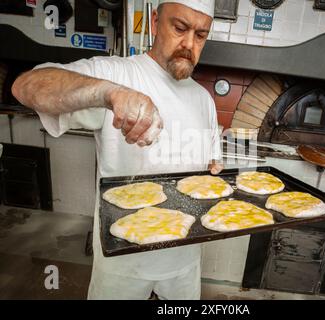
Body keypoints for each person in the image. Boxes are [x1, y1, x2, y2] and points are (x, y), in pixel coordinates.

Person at [12, 0, 222, 300]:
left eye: (200, 35)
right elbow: (27, 86)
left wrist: (216, 172)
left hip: (184, 261)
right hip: (123, 262)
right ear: (154, 21)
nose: (189, 43)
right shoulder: (117, 75)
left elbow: (210, 168)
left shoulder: (204, 100)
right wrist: (109, 93)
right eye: (179, 28)